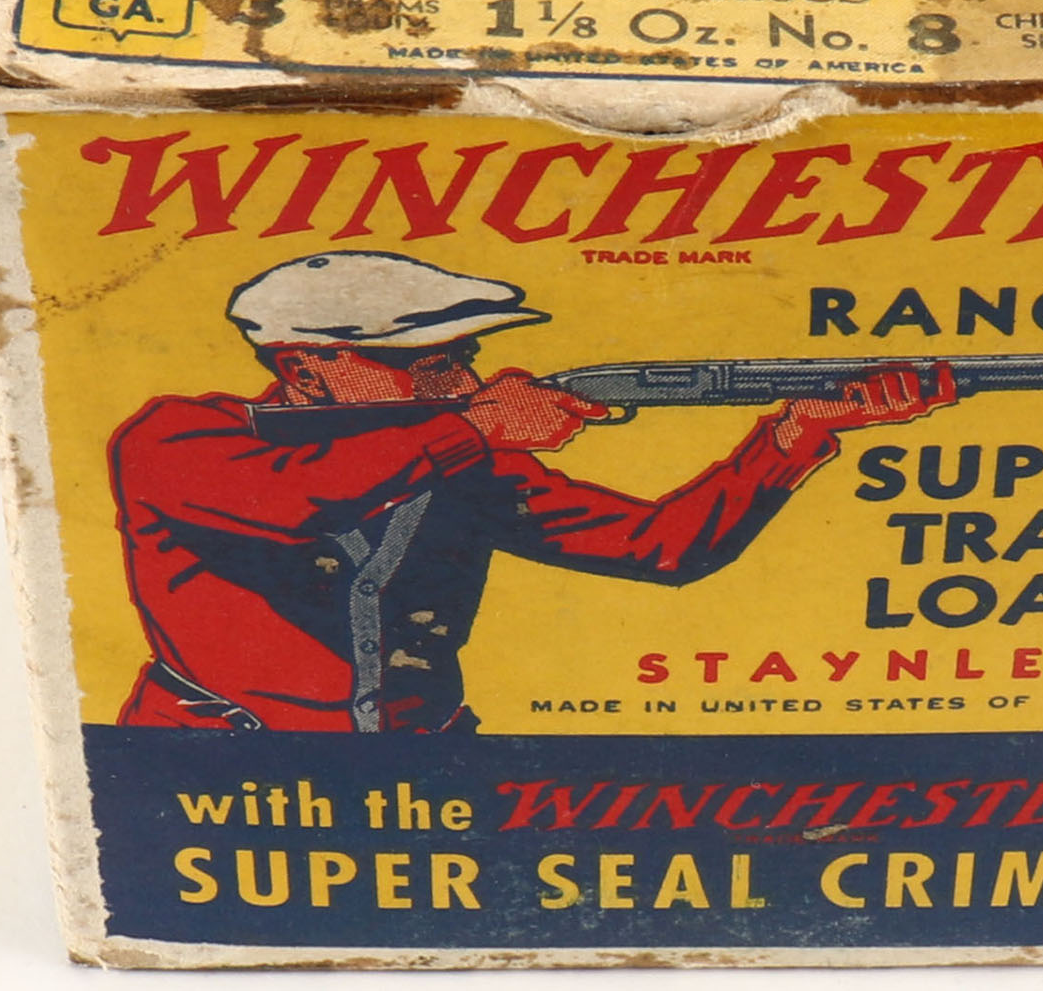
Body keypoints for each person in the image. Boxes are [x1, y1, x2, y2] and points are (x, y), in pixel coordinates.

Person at [111, 250, 955, 733]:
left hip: (429, 759)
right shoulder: (179, 437)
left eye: (464, 357)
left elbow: (661, 548)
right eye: (427, 364)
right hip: (212, 753)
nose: (460, 380)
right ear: (305, 366)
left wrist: (797, 433)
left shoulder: (461, 458)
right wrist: (477, 428)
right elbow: (298, 499)